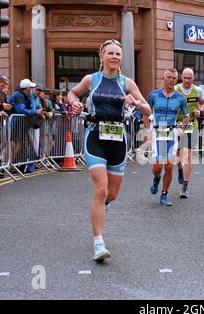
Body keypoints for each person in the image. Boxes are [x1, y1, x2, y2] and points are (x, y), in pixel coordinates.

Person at [69, 39, 151, 261]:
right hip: (95, 135)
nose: (115, 56)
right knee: (101, 189)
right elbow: (72, 94)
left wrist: (136, 102)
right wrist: (74, 104)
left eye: (118, 53)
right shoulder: (91, 79)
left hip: (118, 139)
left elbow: (147, 107)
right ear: (102, 57)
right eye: (110, 53)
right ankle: (98, 243)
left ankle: (101, 207)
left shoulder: (127, 83)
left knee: (112, 195)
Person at [148, 68, 189, 206]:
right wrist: (146, 130)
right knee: (157, 167)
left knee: (169, 166)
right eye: (169, 77)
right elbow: (146, 111)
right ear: (164, 78)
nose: (171, 80)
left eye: (174, 78)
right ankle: (156, 178)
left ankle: (164, 195)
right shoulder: (154, 95)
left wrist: (181, 128)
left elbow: (186, 116)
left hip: (171, 133)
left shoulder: (180, 98)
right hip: (156, 133)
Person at [175, 68, 204, 198]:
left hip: (192, 124)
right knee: (177, 154)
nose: (187, 80)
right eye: (185, 78)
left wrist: (200, 110)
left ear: (193, 78)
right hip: (177, 124)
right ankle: (180, 168)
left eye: (189, 78)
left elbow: (203, 103)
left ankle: (185, 186)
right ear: (181, 77)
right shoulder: (176, 89)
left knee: (188, 155)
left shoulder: (198, 90)